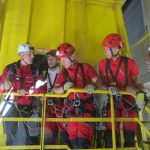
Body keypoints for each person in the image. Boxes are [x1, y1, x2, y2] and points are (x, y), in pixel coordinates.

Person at [53, 42, 103, 149]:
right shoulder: (63, 73)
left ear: (72, 56)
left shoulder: (85, 68)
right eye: (61, 59)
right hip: (71, 111)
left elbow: (100, 83)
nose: (63, 61)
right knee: (73, 142)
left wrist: (93, 86)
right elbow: (55, 90)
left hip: (86, 110)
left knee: (82, 142)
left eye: (64, 58)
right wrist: (63, 88)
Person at [98, 33, 144, 147]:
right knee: (111, 138)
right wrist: (107, 87)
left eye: (107, 49)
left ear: (116, 48)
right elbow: (101, 83)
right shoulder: (102, 64)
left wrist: (138, 94)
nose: (105, 51)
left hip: (129, 103)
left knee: (129, 137)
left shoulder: (130, 64)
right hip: (113, 102)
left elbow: (137, 84)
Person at [0, 43, 46, 145]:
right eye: (30, 54)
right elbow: (1, 86)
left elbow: (42, 88)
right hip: (12, 105)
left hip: (30, 106)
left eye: (33, 54)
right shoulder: (10, 69)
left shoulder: (36, 70)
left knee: (32, 138)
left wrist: (28, 92)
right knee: (10, 136)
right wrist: (3, 86)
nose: (33, 56)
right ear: (21, 55)